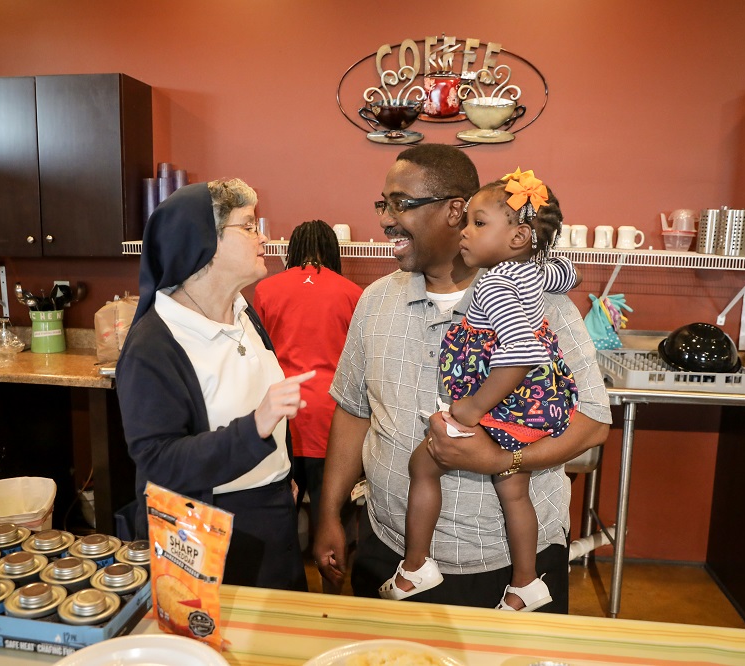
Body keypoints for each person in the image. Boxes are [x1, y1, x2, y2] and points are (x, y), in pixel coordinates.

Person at [313, 144, 612, 611]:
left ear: (455, 211)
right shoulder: (374, 301)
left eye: (400, 204)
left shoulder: (539, 305)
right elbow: (353, 411)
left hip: (510, 563)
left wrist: (501, 461)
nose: (386, 219)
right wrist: (329, 512)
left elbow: (593, 422)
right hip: (388, 549)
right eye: (383, 204)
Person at [379, 170, 579, 611]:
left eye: (479, 223)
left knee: (423, 463)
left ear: (517, 236)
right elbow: (569, 273)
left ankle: (415, 568)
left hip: (499, 402)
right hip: (532, 404)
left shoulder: (493, 284)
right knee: (514, 489)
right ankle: (525, 583)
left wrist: (470, 408)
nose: (464, 232)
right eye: (465, 221)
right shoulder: (532, 273)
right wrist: (540, 255)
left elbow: (521, 350)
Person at [116, 179, 313, 591]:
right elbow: (158, 459)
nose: (264, 238)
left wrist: (281, 472)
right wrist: (256, 425)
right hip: (208, 531)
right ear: (204, 242)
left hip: (273, 514)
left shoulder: (243, 313)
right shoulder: (154, 343)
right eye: (248, 226)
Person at [252, 220, 363, 592]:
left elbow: (259, 354)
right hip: (333, 420)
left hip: (282, 414)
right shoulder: (352, 293)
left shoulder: (266, 290)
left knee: (282, 506)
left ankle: (288, 593)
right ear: (333, 251)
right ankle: (334, 591)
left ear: (292, 250)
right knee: (332, 512)